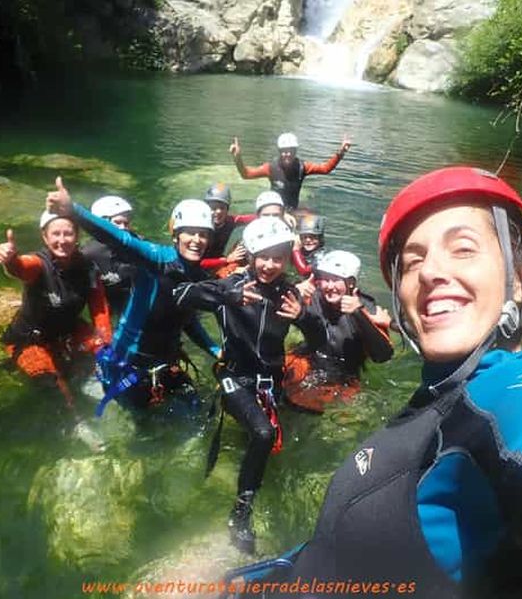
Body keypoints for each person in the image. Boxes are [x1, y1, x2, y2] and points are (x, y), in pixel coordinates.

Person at [225, 166, 522, 598]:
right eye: (413, 261)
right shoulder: (440, 398)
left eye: (463, 249)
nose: (430, 272)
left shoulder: (509, 399)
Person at [173, 217, 322, 555]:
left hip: (269, 382)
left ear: (286, 259)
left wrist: (303, 317)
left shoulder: (289, 293)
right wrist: (225, 294)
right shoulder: (233, 284)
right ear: (251, 254)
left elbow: (319, 340)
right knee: (264, 434)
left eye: (278, 258)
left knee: (283, 432)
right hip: (234, 376)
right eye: (263, 256)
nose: (269, 265)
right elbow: (179, 294)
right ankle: (241, 511)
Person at [46, 178, 220, 412]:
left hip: (165, 361)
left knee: (196, 407)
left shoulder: (198, 276)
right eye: (189, 233)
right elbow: (121, 239)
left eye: (203, 234)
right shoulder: (156, 258)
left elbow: (188, 321)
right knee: (143, 422)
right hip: (129, 363)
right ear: (176, 235)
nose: (197, 240)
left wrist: (216, 351)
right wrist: (73, 210)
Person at [0, 211, 112, 446]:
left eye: (68, 233)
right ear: (45, 237)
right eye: (55, 234)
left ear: (77, 236)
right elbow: (22, 268)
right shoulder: (39, 264)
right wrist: (10, 260)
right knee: (51, 383)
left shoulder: (88, 267)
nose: (62, 240)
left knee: (107, 353)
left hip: (68, 331)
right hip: (30, 339)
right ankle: (76, 424)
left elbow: (100, 311)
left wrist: (106, 349)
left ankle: (102, 390)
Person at [284, 250, 394, 413]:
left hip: (344, 374)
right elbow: (278, 305)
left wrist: (358, 313)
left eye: (336, 279)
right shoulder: (312, 295)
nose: (329, 286)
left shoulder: (366, 307)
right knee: (282, 395)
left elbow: (383, 356)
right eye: (325, 279)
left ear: (351, 283)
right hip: (309, 358)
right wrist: (294, 290)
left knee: (324, 414)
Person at [229, 133, 351, 210]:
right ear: (279, 151)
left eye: (290, 151)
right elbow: (246, 174)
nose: (287, 154)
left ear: (295, 151)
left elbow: (325, 169)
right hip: (274, 210)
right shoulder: (271, 167)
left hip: (292, 210)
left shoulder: (303, 167)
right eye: (284, 151)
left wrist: (341, 152)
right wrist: (237, 158)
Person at [81, 195, 137, 316]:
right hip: (108, 307)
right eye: (118, 223)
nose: (123, 228)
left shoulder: (137, 244)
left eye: (126, 223)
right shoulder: (88, 254)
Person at [200, 182, 255, 278]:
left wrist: (276, 214)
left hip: (221, 260)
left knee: (243, 244)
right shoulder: (200, 228)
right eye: (213, 208)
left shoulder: (230, 221)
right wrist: (226, 260)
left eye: (222, 208)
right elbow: (196, 262)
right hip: (204, 266)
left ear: (227, 209)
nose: (218, 211)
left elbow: (252, 217)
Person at [291, 212, 326, 276]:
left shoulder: (321, 256)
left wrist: (295, 250)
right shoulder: (302, 249)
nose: (308, 240)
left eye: (313, 237)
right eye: (304, 237)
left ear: (320, 238)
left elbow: (304, 271)